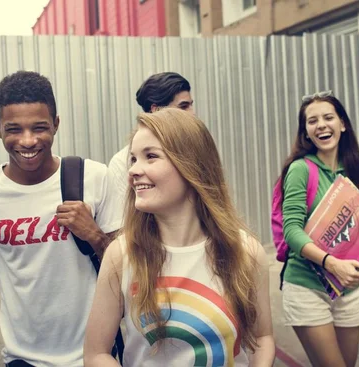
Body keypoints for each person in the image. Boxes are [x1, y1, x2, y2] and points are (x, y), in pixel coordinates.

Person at [84, 108, 275, 366]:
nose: (133, 171)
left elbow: (262, 338)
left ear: (192, 165)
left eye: (150, 156)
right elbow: (97, 354)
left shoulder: (246, 251)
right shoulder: (122, 255)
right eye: (133, 159)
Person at [0, 71, 122, 366]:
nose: (28, 141)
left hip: (94, 355)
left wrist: (95, 235)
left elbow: (131, 272)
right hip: (22, 359)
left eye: (39, 128)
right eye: (14, 129)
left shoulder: (94, 179)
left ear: (56, 124)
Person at [280, 92, 359, 367]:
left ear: (342, 124)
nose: (321, 125)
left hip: (347, 289)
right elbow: (292, 230)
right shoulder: (300, 169)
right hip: (307, 287)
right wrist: (332, 263)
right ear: (306, 132)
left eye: (328, 117)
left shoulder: (353, 170)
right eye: (312, 121)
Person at [108, 72, 194, 209]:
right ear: (156, 110)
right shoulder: (121, 162)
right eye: (183, 106)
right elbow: (125, 219)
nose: (192, 113)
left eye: (190, 105)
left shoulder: (195, 150)